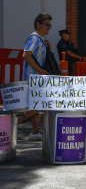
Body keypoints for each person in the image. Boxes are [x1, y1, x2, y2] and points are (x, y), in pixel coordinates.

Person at [20, 13, 53, 141]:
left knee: (38, 106)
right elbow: (26, 55)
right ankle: (11, 123)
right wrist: (40, 70)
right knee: (39, 105)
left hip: (38, 78)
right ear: (38, 24)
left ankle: (34, 132)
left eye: (50, 25)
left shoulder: (41, 40)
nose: (49, 28)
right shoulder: (34, 38)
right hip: (33, 77)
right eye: (47, 25)